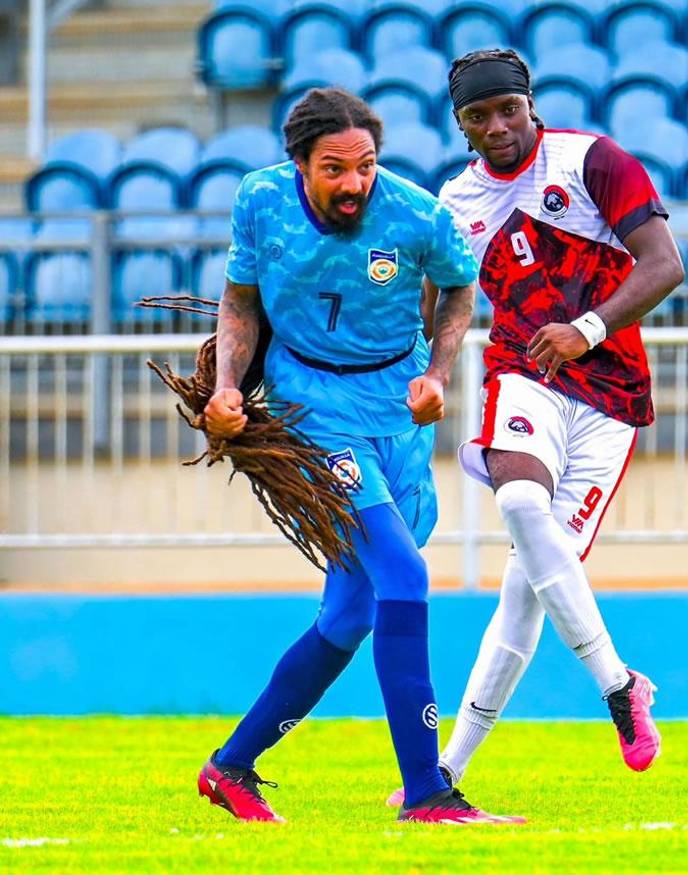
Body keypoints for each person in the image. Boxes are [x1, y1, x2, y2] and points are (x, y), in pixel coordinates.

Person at [196, 86, 522, 826]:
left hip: (398, 412)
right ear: (300, 165)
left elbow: (462, 288)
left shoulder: (416, 214)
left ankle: (230, 766)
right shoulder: (260, 201)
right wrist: (225, 388)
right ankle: (429, 794)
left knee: (351, 613)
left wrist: (438, 374)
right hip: (311, 406)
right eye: (335, 169)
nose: (354, 183)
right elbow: (241, 300)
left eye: (366, 166)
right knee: (404, 573)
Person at [388, 48, 686, 808]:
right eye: (477, 117)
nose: (497, 127)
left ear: (531, 105)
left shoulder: (591, 160)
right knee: (519, 506)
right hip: (528, 375)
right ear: (460, 127)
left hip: (611, 393)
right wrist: (418, 374)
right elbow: (439, 304)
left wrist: (586, 327)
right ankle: (620, 687)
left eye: (507, 110)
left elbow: (664, 264)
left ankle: (446, 770)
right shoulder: (454, 205)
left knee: (524, 588)